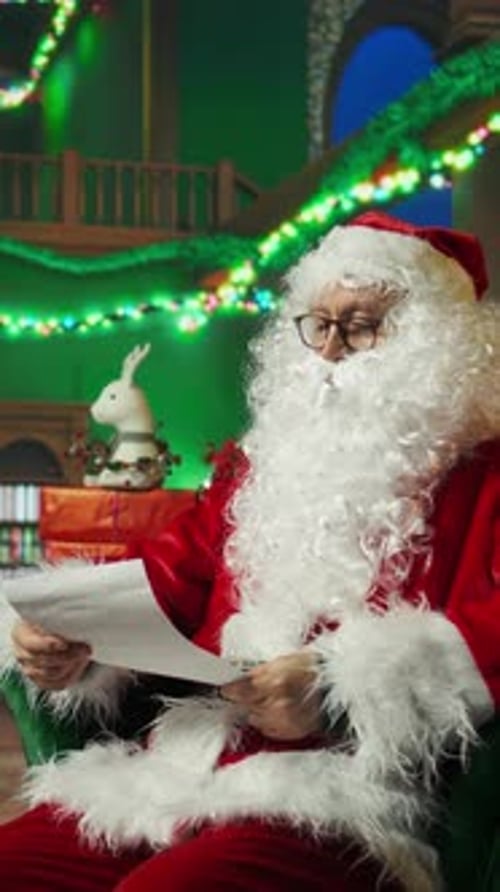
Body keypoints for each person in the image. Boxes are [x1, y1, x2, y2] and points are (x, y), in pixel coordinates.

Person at [0, 210, 499, 892]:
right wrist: (71, 633)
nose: (329, 350)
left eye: (361, 325)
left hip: (344, 800)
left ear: (432, 345)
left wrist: (336, 689)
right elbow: (169, 577)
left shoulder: (486, 482)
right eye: (318, 324)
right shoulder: (253, 470)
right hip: (177, 771)